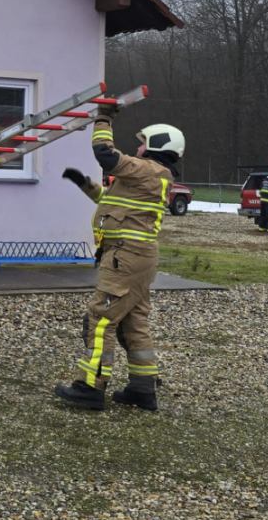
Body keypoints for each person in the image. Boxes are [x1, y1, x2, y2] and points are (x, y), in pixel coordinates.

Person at [55, 103, 185, 413]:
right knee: (133, 322)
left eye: (142, 143)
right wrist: (84, 184)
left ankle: (90, 386)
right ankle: (142, 388)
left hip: (125, 256)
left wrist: (103, 119)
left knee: (100, 318)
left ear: (157, 145)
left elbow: (106, 155)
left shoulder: (148, 169)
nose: (138, 148)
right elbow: (111, 201)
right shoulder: (153, 177)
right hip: (138, 258)